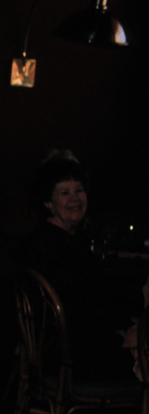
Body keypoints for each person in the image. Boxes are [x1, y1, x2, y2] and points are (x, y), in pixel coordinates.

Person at [19, 151, 138, 379]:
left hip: (72, 350)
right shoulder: (48, 246)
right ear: (48, 202)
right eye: (64, 192)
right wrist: (125, 335)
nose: (75, 198)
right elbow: (78, 311)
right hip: (69, 360)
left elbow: (96, 298)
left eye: (79, 191)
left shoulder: (69, 241)